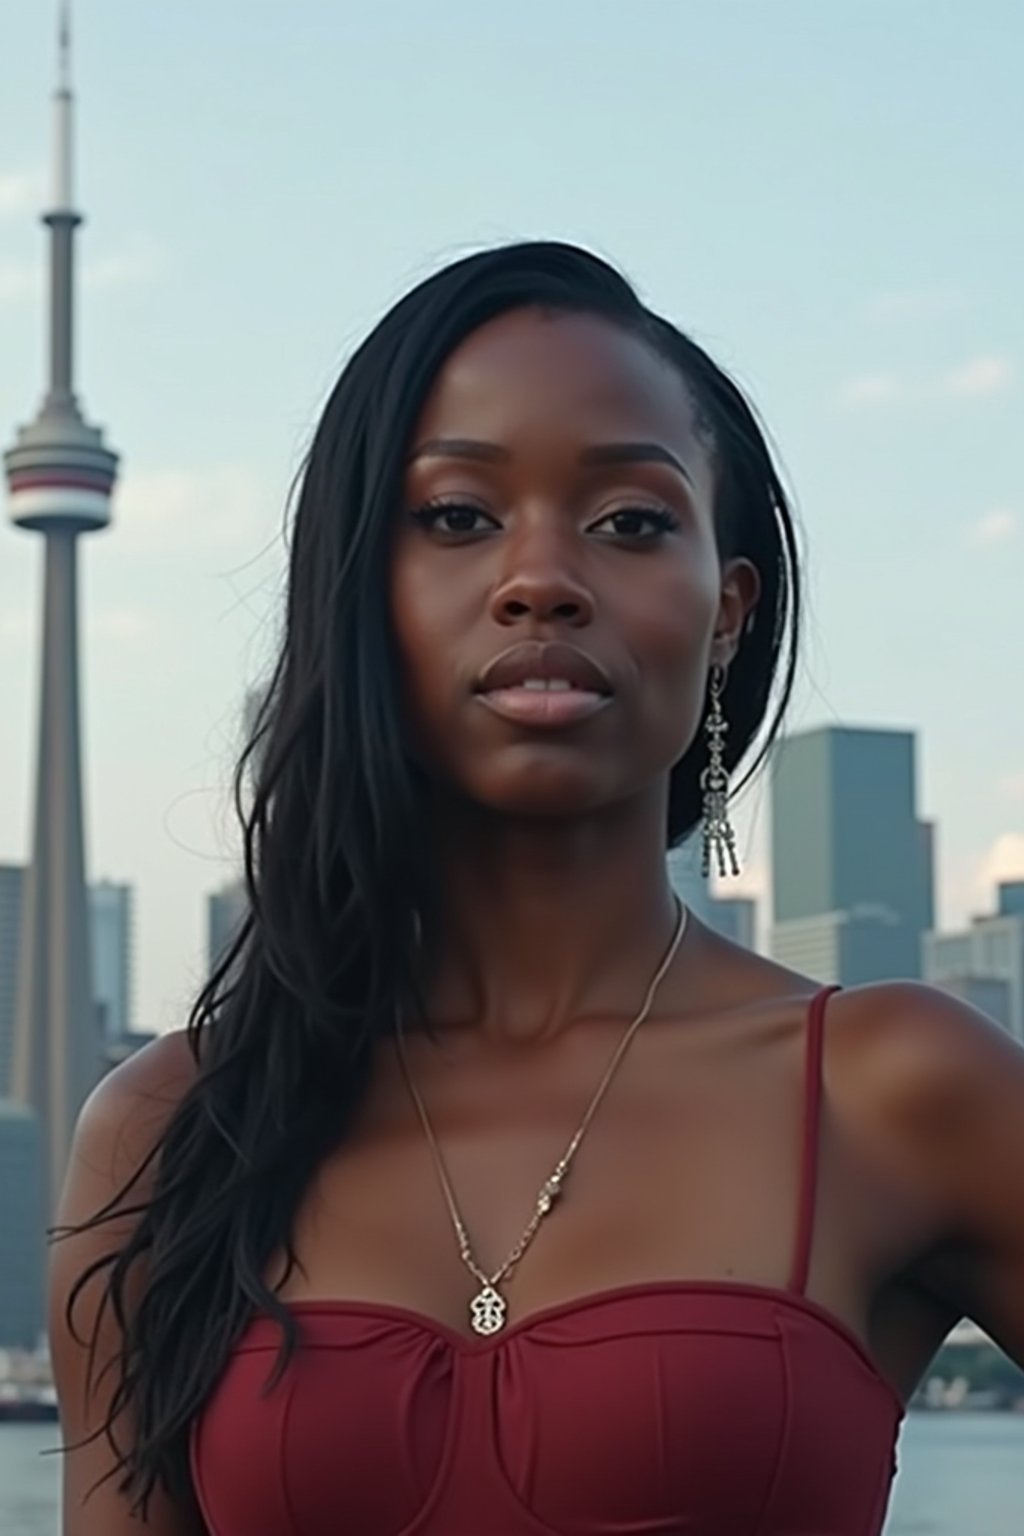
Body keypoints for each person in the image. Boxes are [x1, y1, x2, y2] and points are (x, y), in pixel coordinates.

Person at [51, 241, 1024, 1536]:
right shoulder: (174, 1128)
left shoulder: (901, 1090)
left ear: (727, 608)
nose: (542, 579)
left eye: (630, 522)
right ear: (361, 587)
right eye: (456, 517)